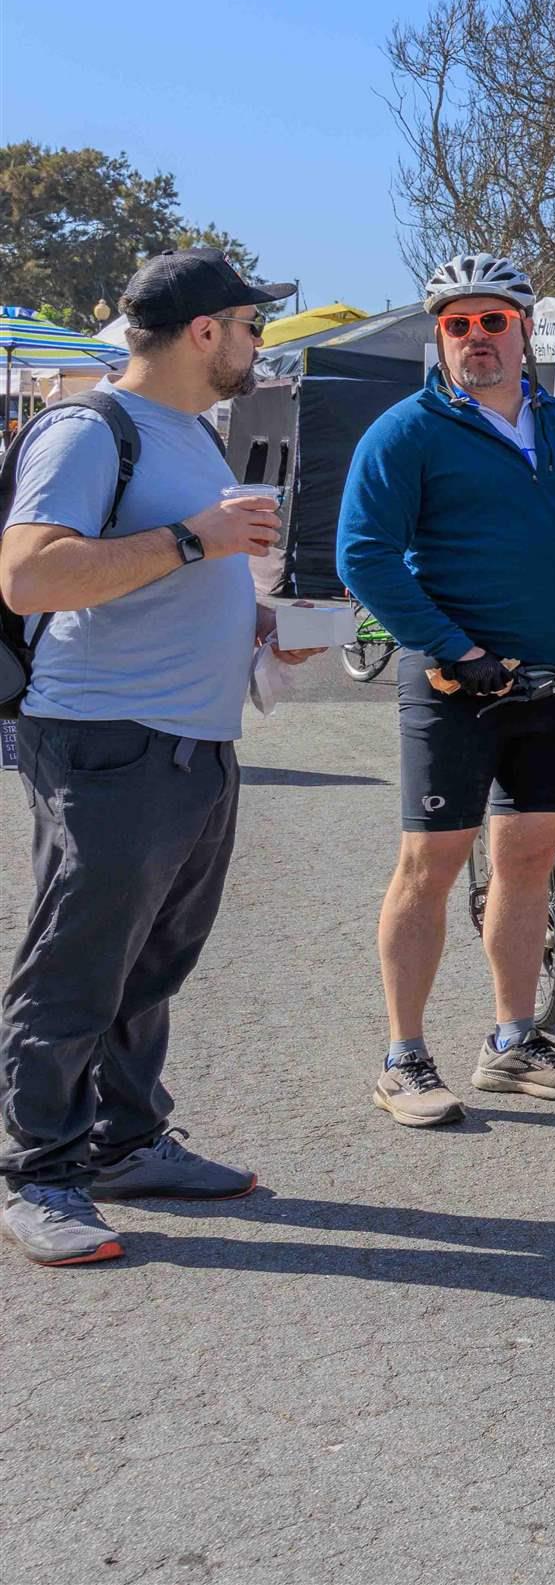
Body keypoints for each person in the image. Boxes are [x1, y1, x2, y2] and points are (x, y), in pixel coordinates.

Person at [0, 251, 316, 1267]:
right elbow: (29, 576)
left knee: (151, 962)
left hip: (193, 740)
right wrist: (194, 540)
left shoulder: (194, 434)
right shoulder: (89, 429)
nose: (259, 343)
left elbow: (181, 572)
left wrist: (261, 627)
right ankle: (39, 1173)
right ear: (204, 331)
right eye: (252, 325)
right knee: (78, 961)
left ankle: (124, 1141)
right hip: (108, 737)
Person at [337, 254, 555, 1129]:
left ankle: (513, 1040)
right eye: (458, 324)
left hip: (552, 674)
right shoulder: (406, 431)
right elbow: (362, 556)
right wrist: (454, 645)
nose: (477, 337)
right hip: (454, 677)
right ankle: (403, 1056)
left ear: (525, 330)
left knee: (527, 860)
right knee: (431, 864)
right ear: (440, 336)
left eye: (493, 321)